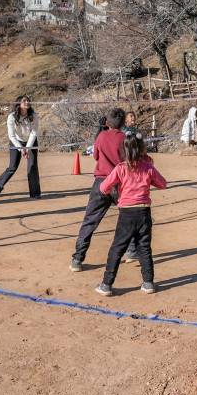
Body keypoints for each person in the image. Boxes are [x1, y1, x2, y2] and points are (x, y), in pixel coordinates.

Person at [95, 132, 167, 296]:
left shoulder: (120, 168)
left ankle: (106, 284)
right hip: (143, 212)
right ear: (142, 149)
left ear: (124, 150)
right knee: (144, 248)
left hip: (126, 213)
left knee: (117, 248)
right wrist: (149, 173)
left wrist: (117, 186)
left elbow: (103, 188)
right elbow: (163, 184)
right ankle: (148, 283)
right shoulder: (148, 167)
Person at [70, 108, 127, 272]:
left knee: (89, 221)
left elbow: (95, 156)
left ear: (107, 122)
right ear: (123, 123)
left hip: (101, 182)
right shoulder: (124, 138)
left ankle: (77, 259)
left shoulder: (101, 136)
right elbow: (127, 159)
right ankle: (132, 251)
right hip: (119, 183)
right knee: (129, 217)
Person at [0, 95, 41, 199]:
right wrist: (21, 149)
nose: (27, 102)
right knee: (12, 167)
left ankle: (35, 193)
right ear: (18, 104)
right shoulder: (12, 117)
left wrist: (27, 148)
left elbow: (34, 133)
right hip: (16, 141)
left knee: (32, 166)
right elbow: (11, 136)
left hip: (31, 142)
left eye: (28, 101)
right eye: (24, 101)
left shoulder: (34, 115)